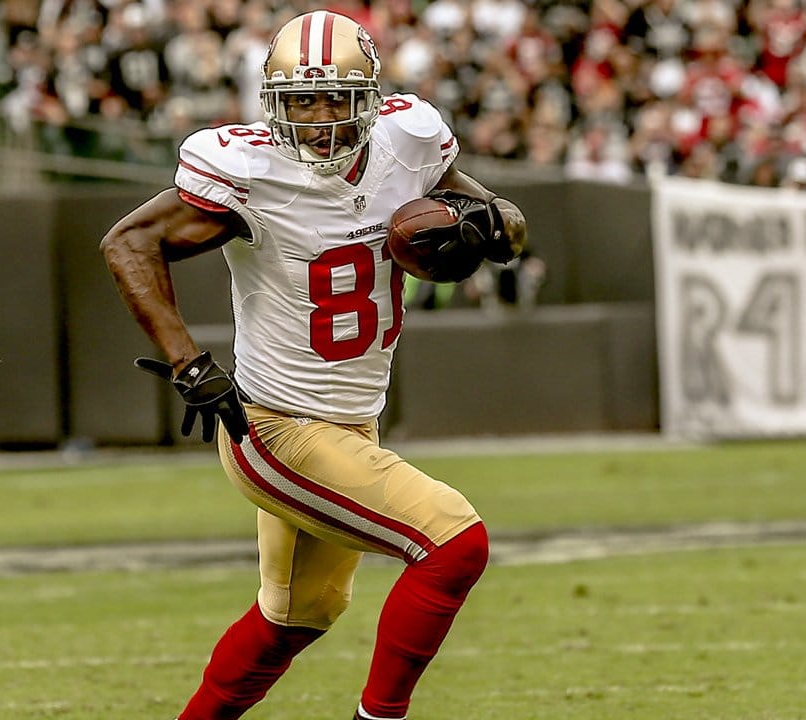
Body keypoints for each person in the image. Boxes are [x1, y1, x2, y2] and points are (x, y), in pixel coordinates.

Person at [101, 11, 527, 720]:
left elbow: (490, 213)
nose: (321, 117)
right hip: (274, 427)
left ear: (373, 100)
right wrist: (187, 361)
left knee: (296, 617)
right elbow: (128, 244)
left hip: (352, 423)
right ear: (273, 103)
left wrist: (499, 225)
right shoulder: (250, 170)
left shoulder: (411, 138)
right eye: (302, 100)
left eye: (337, 98)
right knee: (455, 542)